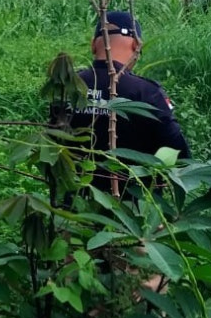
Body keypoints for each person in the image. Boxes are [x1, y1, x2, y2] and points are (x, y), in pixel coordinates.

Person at [69, 10, 192, 200]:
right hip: (134, 205)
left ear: (93, 45)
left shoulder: (68, 85)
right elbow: (178, 152)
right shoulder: (146, 92)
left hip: (74, 201)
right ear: (136, 45)